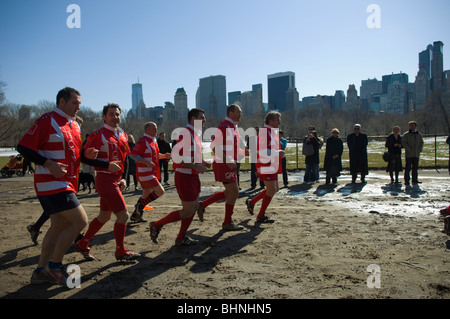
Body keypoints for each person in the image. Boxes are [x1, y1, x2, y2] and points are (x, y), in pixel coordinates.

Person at [17, 87, 98, 286]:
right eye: (75, 103)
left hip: (67, 183)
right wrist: (47, 163)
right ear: (61, 102)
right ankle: (54, 267)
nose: (79, 107)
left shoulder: (74, 125)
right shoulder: (48, 120)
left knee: (58, 226)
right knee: (79, 221)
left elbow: (74, 155)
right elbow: (23, 147)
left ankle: (40, 270)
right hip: (50, 184)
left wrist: (86, 155)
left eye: (79, 103)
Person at [75, 103, 140, 261]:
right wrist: (105, 165)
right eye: (111, 114)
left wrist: (124, 177)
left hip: (116, 179)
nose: (115, 117)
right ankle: (120, 251)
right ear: (104, 116)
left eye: (117, 114)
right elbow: (83, 158)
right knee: (123, 216)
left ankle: (83, 243)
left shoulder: (123, 134)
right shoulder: (98, 134)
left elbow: (126, 159)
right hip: (104, 178)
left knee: (104, 216)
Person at [150, 108, 210, 245]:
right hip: (184, 176)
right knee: (188, 210)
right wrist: (196, 166)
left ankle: (180, 238)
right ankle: (157, 224)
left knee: (193, 208)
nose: (205, 120)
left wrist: (203, 162)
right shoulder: (186, 133)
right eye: (202, 117)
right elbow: (177, 158)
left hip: (192, 176)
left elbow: (192, 156)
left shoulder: (195, 134)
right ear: (193, 119)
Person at [197, 104, 245, 231]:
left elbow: (228, 147)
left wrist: (241, 152)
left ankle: (203, 205)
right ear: (230, 113)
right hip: (224, 164)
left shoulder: (233, 126)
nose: (241, 114)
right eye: (238, 112)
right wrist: (228, 160)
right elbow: (214, 146)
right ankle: (227, 222)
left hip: (228, 163)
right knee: (234, 192)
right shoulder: (225, 126)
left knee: (229, 192)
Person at [246, 111, 285, 223]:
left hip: (271, 164)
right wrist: (277, 153)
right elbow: (261, 150)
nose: (279, 122)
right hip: (265, 164)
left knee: (274, 189)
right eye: (277, 119)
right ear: (271, 121)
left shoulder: (271, 132)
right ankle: (260, 215)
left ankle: (252, 202)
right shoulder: (265, 132)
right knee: (271, 189)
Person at [129, 122, 169, 222]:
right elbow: (133, 154)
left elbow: (154, 155)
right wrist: (146, 162)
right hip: (145, 173)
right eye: (154, 129)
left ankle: (135, 215)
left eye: (156, 129)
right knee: (160, 191)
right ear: (147, 130)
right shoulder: (143, 141)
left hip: (150, 172)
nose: (156, 131)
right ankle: (140, 206)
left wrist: (164, 156)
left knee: (146, 194)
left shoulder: (153, 140)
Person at [402, 121, 424, 186]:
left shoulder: (418, 134)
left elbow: (421, 142)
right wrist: (408, 149)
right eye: (410, 125)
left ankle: (415, 180)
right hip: (409, 154)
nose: (412, 127)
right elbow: (404, 143)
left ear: (415, 126)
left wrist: (419, 149)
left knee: (415, 168)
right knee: (408, 168)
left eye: (413, 125)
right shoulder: (406, 134)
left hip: (416, 154)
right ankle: (406, 181)